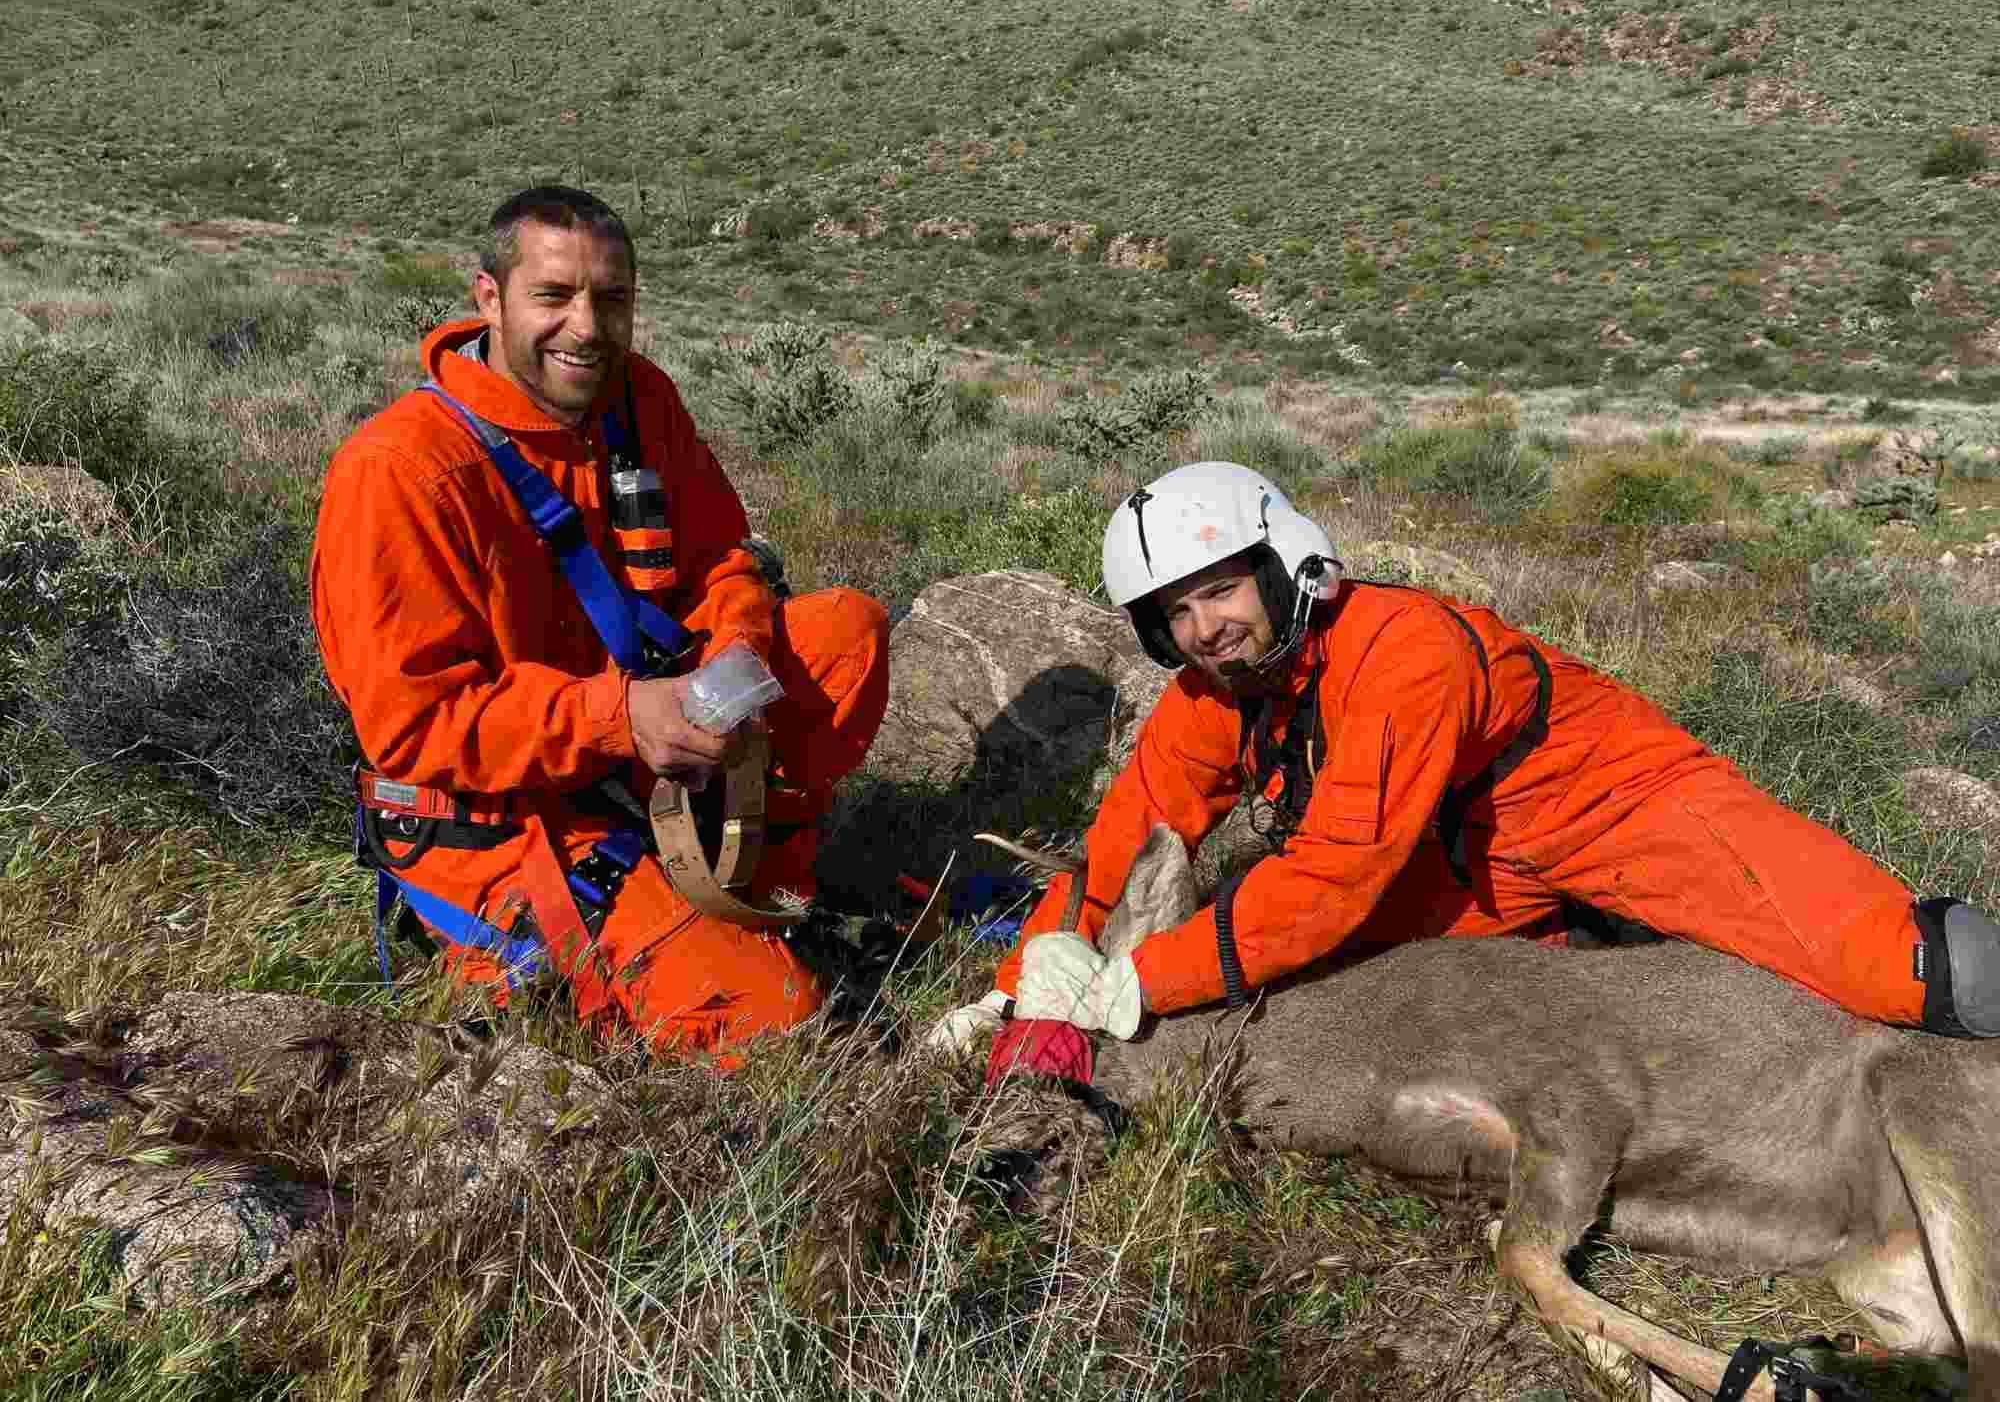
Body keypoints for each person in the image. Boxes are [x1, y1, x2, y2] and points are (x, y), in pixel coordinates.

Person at [935, 460, 2000, 1053]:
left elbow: (1333, 875)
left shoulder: (1401, 652)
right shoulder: (1221, 689)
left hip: (1606, 801)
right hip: (1459, 857)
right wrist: (1026, 969)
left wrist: (1136, 975)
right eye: (1174, 610)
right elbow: (1131, 826)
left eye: (1218, 588)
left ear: (1279, 565)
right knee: (1310, 1003)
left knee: (1903, 965)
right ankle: (1584, 936)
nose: (1203, 625)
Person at [312, 185, 889, 1056]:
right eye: (553, 295)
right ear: (488, 298)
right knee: (778, 1029)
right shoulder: (399, 473)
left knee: (845, 633)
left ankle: (761, 890)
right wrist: (622, 718)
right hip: (509, 812)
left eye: (611, 298)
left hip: (641, 746)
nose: (586, 326)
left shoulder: (636, 399)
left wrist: (733, 662)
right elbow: (416, 727)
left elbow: (721, 558)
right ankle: (540, 949)